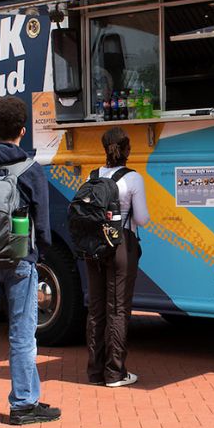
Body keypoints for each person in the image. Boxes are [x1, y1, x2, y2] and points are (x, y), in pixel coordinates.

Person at [0, 96, 60, 425]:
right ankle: (22, 403)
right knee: (22, 335)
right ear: (23, 130)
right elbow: (43, 224)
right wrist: (37, 255)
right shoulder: (31, 170)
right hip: (19, 261)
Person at [86, 127, 150, 387]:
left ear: (104, 149)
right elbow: (142, 219)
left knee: (96, 309)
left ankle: (95, 371)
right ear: (127, 149)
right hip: (121, 244)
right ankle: (115, 373)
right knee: (118, 308)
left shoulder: (91, 176)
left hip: (94, 246)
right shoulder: (133, 178)